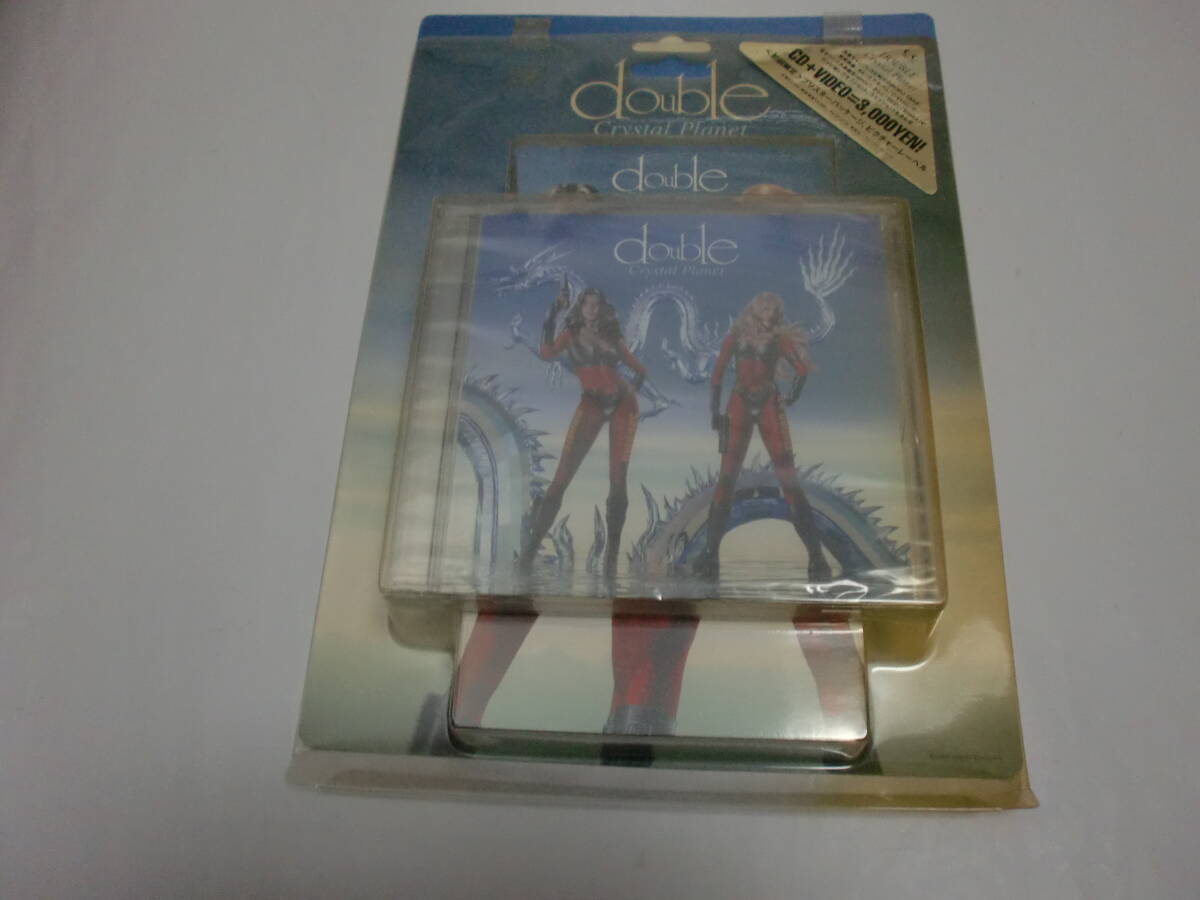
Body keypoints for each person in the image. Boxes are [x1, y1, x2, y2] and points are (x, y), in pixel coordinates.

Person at [694, 291, 832, 581]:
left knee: (787, 477)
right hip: (741, 404)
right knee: (727, 477)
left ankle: (817, 557)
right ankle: (710, 555)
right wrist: (715, 412)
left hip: (767, 403)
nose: (770, 312)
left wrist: (791, 397)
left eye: (774, 309)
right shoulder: (736, 336)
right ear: (755, 310)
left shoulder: (778, 339)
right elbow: (717, 373)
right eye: (765, 308)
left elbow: (801, 370)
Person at [518, 284, 646, 580]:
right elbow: (546, 351)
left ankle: (610, 561)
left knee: (617, 479)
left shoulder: (611, 336)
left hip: (623, 405)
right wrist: (553, 311)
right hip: (591, 403)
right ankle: (528, 555)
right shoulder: (570, 334)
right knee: (561, 477)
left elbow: (638, 368)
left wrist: (633, 387)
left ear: (602, 307)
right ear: (580, 306)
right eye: (586, 303)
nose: (591, 308)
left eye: (596, 304)